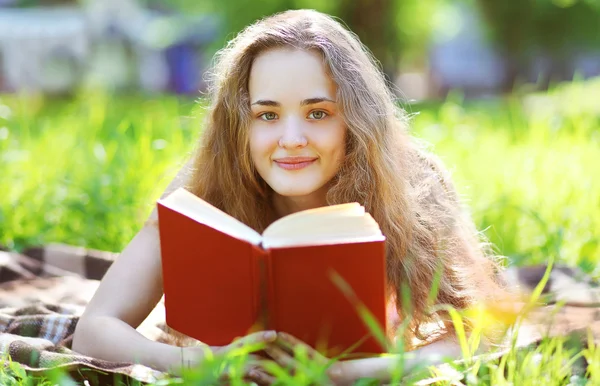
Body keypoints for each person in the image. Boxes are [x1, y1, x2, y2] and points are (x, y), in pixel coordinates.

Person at [72, 9, 507, 385]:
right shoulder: (201, 192)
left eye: (318, 113)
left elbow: (481, 332)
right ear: (239, 124)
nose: (292, 139)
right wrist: (199, 364)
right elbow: (95, 329)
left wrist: (351, 374)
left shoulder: (414, 186)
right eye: (267, 115)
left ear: (354, 120)